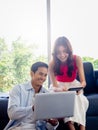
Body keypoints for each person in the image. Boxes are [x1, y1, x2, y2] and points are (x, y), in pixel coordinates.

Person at [48, 36, 89, 130]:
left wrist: (80, 88)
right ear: (55, 53)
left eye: (64, 51)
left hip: (74, 85)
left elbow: (83, 82)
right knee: (70, 99)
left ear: (69, 51)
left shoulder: (77, 59)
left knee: (79, 99)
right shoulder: (52, 64)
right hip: (59, 87)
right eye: (59, 52)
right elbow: (54, 85)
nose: (62, 55)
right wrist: (61, 90)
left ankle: (81, 127)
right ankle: (72, 126)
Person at [4, 61, 58, 130]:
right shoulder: (18, 89)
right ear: (32, 73)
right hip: (19, 127)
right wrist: (32, 108)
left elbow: (48, 128)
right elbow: (12, 114)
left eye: (45, 75)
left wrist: (53, 124)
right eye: (40, 74)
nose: (43, 78)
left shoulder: (46, 94)